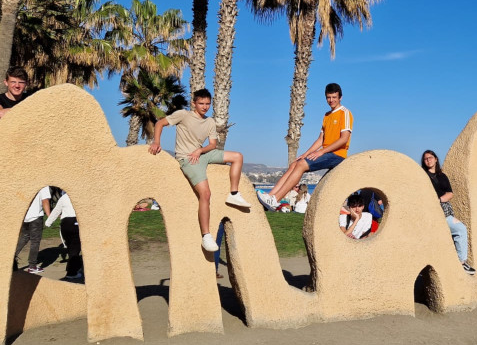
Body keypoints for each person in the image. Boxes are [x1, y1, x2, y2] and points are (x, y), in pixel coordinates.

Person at [150, 88, 251, 252]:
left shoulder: (210, 122)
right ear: (194, 103)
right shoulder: (183, 115)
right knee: (206, 194)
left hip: (202, 154)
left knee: (237, 156)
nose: (205, 107)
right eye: (201, 103)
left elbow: (212, 144)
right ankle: (206, 236)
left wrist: (200, 150)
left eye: (207, 104)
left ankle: (234, 194)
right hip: (187, 159)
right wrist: (156, 142)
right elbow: (160, 123)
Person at [261, 83, 352, 211]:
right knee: (295, 164)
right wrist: (306, 153)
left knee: (301, 165)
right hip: (326, 153)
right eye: (328, 97)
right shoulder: (327, 115)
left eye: (334, 97)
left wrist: (321, 152)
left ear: (340, 97)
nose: (331, 100)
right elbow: (320, 139)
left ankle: (275, 200)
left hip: (337, 155)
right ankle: (270, 196)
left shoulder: (345, 113)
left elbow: (344, 139)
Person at [422, 150, 476, 275]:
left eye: (430, 157)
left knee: (459, 229)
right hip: (431, 211)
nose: (428, 160)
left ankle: (460, 262)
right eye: (426, 158)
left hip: (444, 210)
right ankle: (460, 262)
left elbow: (450, 193)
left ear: (436, 159)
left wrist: (439, 200)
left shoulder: (442, 176)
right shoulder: (423, 175)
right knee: (460, 229)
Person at [43, 186, 82, 281]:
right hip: (75, 223)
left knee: (71, 248)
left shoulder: (64, 198)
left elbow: (56, 210)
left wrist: (48, 222)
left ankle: (73, 267)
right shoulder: (80, 197)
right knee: (75, 249)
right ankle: (72, 273)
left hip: (65, 224)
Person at [16, 185, 52, 274]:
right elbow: (45, 201)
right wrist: (49, 216)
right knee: (35, 241)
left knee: (23, 238)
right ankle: (32, 266)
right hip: (36, 217)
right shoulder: (44, 186)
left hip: (25, 217)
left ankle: (10, 258)